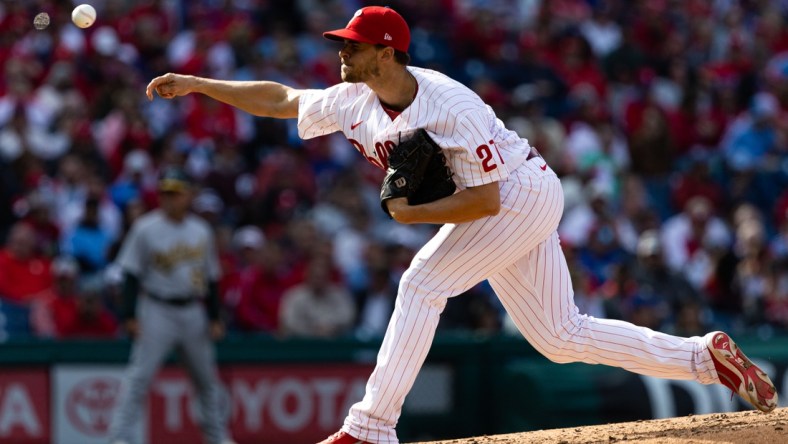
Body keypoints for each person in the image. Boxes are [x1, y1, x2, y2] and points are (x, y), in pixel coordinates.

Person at [145, 6, 778, 444]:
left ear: (386, 52)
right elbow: (282, 100)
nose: (341, 52)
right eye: (341, 43)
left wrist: (411, 214)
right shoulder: (354, 100)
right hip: (503, 203)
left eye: (352, 45)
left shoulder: (450, 104)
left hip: (521, 193)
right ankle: (706, 359)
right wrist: (199, 84)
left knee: (421, 283)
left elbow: (485, 204)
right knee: (560, 337)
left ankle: (371, 426)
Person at [108, 166, 233, 444]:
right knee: (139, 378)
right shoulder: (145, 228)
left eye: (175, 193)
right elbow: (130, 274)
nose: (169, 199)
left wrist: (214, 316)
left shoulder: (200, 230)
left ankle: (218, 437)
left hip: (193, 310)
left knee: (207, 381)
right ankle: (119, 438)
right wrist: (129, 315)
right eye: (165, 193)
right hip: (156, 309)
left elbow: (212, 278)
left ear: (188, 195)